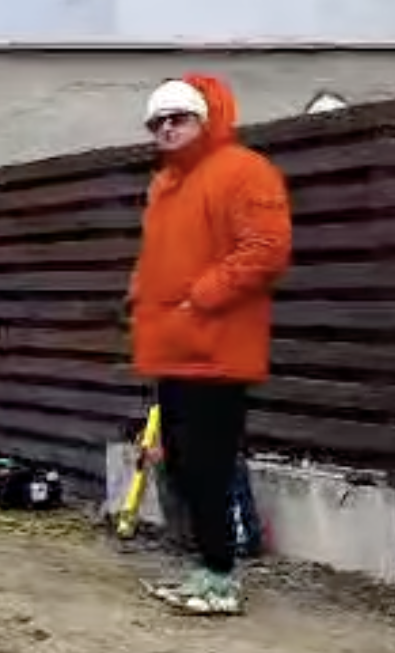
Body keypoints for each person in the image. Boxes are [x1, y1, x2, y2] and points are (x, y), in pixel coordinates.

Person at [128, 75, 290, 617]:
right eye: (158, 122)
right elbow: (160, 258)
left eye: (179, 118)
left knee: (207, 466)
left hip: (217, 351)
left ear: (205, 118)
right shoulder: (165, 186)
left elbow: (266, 249)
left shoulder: (244, 171)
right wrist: (141, 296)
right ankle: (205, 568)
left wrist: (201, 297)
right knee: (179, 465)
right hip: (172, 349)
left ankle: (221, 577)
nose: (167, 129)